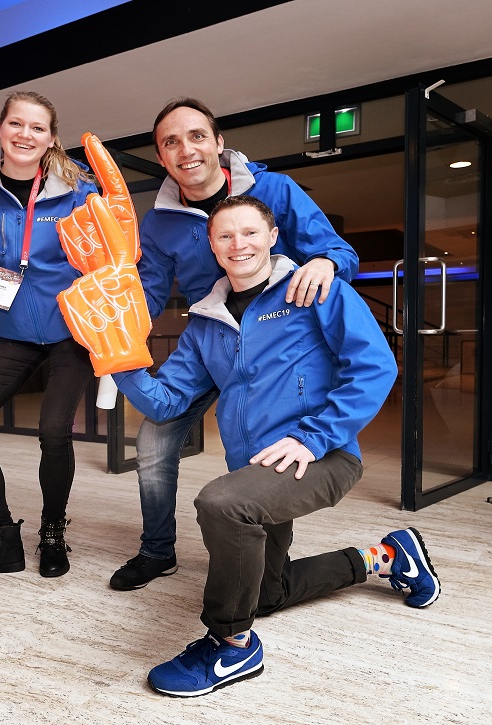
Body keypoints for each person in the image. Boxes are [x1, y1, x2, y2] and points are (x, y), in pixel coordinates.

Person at [112, 196, 436, 697]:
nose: (238, 244)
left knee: (221, 503)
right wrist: (117, 358)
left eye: (249, 232)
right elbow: (166, 401)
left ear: (271, 236)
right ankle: (387, 556)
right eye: (225, 235)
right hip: (258, 471)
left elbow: (375, 367)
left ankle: (232, 645)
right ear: (213, 247)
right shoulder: (205, 323)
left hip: (322, 454)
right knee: (266, 593)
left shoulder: (314, 290)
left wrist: (313, 436)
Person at [110, 97, 361, 591]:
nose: (186, 149)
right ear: (161, 157)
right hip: (211, 339)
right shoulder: (158, 222)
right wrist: (113, 330)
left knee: (268, 451)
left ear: (219, 143)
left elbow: (337, 251)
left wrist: (325, 262)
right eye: (171, 142)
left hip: (274, 341)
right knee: (154, 440)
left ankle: (262, 547)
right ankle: (157, 550)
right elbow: (150, 292)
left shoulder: (275, 190)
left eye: (197, 136)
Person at [0, 92, 97, 580]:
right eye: (16, 124)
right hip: (15, 332)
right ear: (0, 128)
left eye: (38, 127)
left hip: (69, 332)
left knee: (54, 430)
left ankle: (53, 530)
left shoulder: (79, 190)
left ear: (52, 138)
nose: (26, 135)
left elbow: (106, 260)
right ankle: (2, 537)